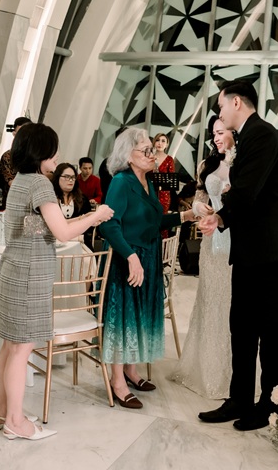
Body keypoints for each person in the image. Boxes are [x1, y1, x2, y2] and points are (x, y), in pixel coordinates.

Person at [197, 81, 278, 431]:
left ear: (236, 103)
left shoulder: (261, 134)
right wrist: (222, 216)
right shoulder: (249, 136)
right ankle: (240, 399)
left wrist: (219, 217)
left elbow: (246, 191)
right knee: (242, 324)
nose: (219, 114)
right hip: (254, 247)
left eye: (221, 106)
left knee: (269, 327)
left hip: (273, 248)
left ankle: (271, 404)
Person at [0, 123, 114, 441]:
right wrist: (96, 216)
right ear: (40, 151)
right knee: (21, 349)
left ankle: (1, 410)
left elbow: (36, 228)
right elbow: (62, 233)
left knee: (10, 345)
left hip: (14, 269)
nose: (58, 155)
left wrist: (81, 218)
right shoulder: (41, 185)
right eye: (53, 149)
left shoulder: (20, 181)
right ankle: (15, 421)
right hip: (30, 275)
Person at [97, 128, 195, 410]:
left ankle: (131, 371)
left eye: (152, 149)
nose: (153, 155)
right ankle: (117, 381)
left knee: (138, 317)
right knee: (123, 319)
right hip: (127, 259)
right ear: (128, 155)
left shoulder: (147, 181)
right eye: (146, 150)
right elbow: (109, 225)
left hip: (148, 256)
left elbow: (154, 221)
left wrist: (187, 215)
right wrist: (130, 256)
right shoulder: (121, 182)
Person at [169, 116, 235, 399]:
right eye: (214, 133)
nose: (216, 138)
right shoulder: (207, 164)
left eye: (221, 132)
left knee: (231, 303)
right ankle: (203, 368)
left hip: (235, 240)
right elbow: (200, 197)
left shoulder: (245, 163)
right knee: (209, 299)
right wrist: (198, 207)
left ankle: (230, 373)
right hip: (211, 240)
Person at [0, 117, 32, 208]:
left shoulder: (38, 155)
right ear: (14, 134)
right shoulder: (8, 156)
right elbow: (13, 183)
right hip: (14, 203)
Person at [152, 133, 176, 214]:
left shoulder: (169, 159)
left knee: (161, 217)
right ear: (154, 142)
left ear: (167, 145)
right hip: (148, 192)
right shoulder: (148, 157)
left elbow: (171, 180)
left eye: (163, 141)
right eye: (157, 140)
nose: (160, 143)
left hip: (164, 195)